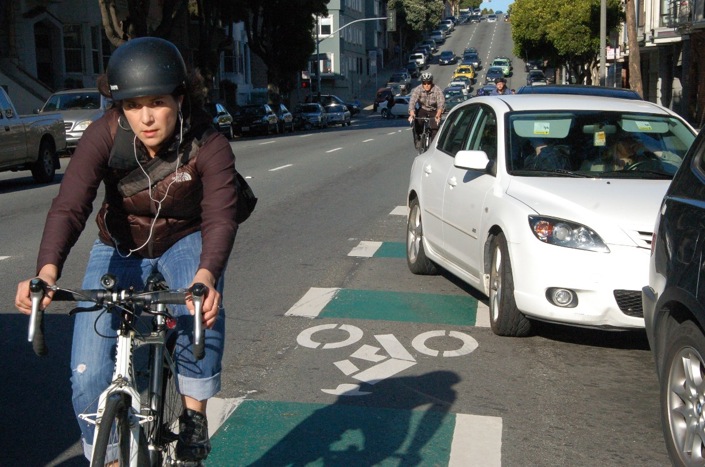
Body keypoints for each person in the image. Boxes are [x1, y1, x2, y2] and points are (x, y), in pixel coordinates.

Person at [15, 37, 238, 465]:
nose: (147, 117)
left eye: (157, 102)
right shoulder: (105, 134)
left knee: (199, 311)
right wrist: (45, 272)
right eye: (134, 106)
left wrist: (206, 277)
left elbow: (220, 217)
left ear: (180, 97)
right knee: (87, 372)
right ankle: (112, 457)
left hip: (184, 239)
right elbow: (70, 203)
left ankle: (194, 416)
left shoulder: (209, 143)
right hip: (118, 245)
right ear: (120, 107)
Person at [408, 72, 445, 146]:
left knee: (435, 128)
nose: (427, 85)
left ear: (431, 83)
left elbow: (441, 103)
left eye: (428, 83)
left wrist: (438, 114)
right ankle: (418, 138)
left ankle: (433, 146)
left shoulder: (437, 89)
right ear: (422, 83)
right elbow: (412, 101)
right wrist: (412, 113)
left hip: (434, 110)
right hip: (423, 109)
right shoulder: (418, 89)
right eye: (424, 83)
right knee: (417, 121)